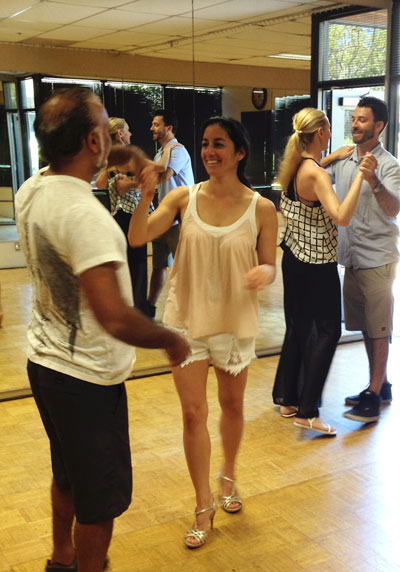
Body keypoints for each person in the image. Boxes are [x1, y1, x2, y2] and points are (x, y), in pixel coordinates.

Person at [15, 87, 189, 572]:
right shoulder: (87, 217)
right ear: (93, 141)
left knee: (67, 476)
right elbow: (116, 316)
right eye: (105, 127)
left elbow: (99, 152)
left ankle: (61, 559)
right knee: (99, 503)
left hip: (45, 365)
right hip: (87, 381)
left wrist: (132, 157)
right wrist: (172, 338)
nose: (112, 134)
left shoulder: (33, 188)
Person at [128, 116, 278, 548]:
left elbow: (268, 262)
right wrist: (147, 195)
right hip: (186, 323)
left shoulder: (260, 208)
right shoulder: (182, 197)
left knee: (231, 407)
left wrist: (262, 273)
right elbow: (139, 236)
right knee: (193, 414)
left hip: (233, 323)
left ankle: (228, 475)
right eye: (207, 144)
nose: (210, 152)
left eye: (220, 145)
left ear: (239, 152)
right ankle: (203, 503)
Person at [272, 107, 370, 436]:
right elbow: (341, 215)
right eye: (329, 128)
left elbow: (309, 177)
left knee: (299, 329)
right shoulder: (315, 173)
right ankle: (308, 411)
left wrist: (327, 160)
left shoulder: (295, 166)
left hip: (294, 259)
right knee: (328, 332)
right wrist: (359, 175)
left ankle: (288, 399)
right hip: (317, 264)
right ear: (322, 134)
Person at [323, 96, 400, 423]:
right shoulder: (342, 160)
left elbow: (394, 209)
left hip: (377, 257)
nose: (355, 124)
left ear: (378, 126)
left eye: (363, 120)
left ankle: (373, 391)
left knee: (379, 327)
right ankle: (379, 386)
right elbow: (305, 175)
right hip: (351, 257)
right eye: (353, 119)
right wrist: (328, 159)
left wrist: (373, 181)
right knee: (366, 328)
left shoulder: (389, 165)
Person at [95, 117, 152, 316]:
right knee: (121, 262)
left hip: (135, 217)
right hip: (117, 218)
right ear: (120, 134)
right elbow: (100, 184)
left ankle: (139, 309)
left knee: (138, 264)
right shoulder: (109, 159)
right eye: (127, 130)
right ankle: (125, 306)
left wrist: (131, 183)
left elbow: (149, 178)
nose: (130, 134)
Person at [148, 109, 194, 318]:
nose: (152, 128)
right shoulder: (163, 152)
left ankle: (190, 309)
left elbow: (163, 175)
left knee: (184, 268)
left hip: (180, 221)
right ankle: (149, 307)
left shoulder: (179, 151)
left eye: (156, 124)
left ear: (169, 128)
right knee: (158, 266)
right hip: (162, 219)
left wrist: (170, 148)